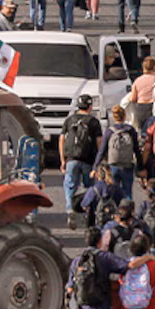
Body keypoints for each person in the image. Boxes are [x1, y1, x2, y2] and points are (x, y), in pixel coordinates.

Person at [67, 226, 130, 309]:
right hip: (102, 307)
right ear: (100, 241)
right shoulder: (105, 257)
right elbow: (125, 266)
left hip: (84, 307)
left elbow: (70, 287)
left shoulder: (78, 260)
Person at [62, 95, 104, 229]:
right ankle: (88, 212)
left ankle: (70, 210)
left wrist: (63, 159)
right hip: (88, 160)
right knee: (89, 187)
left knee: (70, 186)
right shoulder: (93, 122)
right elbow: (99, 142)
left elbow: (62, 139)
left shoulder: (70, 120)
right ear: (90, 106)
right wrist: (99, 161)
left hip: (71, 159)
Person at [94, 104, 143, 202]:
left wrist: (95, 166)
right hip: (127, 165)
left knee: (113, 191)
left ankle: (116, 212)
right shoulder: (130, 130)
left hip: (113, 165)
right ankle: (129, 211)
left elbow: (102, 150)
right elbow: (137, 150)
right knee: (128, 192)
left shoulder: (110, 131)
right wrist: (141, 167)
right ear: (124, 116)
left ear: (114, 117)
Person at [123, 56, 155, 134]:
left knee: (142, 133)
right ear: (154, 67)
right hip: (154, 107)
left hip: (140, 108)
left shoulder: (137, 81)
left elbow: (133, 98)